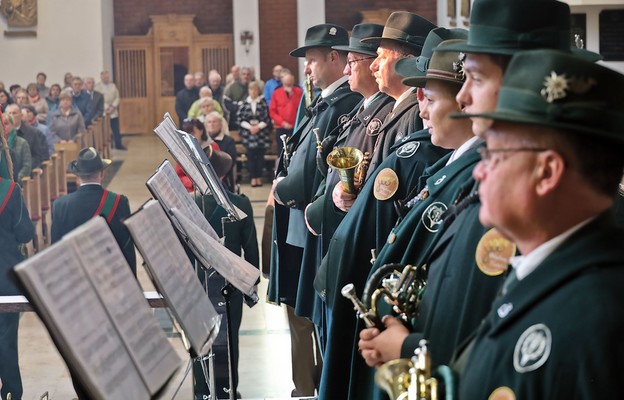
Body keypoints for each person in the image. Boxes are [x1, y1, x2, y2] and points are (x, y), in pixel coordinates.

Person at [455, 48, 624, 400]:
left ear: (546, 172)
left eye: (494, 154)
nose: (478, 170)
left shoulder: (600, 319)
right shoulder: (549, 271)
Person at [269, 23, 363, 397]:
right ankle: (309, 386)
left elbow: (312, 169)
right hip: (302, 217)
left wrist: (282, 188)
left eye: (311, 60)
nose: (306, 68)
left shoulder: (339, 105)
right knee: (301, 308)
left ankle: (312, 388)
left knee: (307, 308)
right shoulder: (324, 102)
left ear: (334, 58)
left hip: (310, 220)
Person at [193, 147, 259, 399]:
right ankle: (229, 389)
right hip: (230, 286)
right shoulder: (240, 203)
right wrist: (250, 288)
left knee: (200, 338)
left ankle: (201, 389)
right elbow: (251, 251)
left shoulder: (191, 203)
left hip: (199, 283)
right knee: (229, 340)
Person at [51, 147, 136, 272]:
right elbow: (127, 249)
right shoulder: (119, 203)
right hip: (110, 277)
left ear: (77, 176)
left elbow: (56, 253)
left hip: (76, 278)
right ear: (102, 173)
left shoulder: (60, 206)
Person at [0, 168, 35, 400]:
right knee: (5, 339)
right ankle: (12, 392)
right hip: (3, 276)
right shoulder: (9, 190)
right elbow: (24, 234)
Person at [237, 81, 271, 187]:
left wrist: (258, 127)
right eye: (251, 89)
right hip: (248, 134)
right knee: (251, 157)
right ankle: (253, 177)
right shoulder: (244, 104)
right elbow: (240, 119)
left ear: (258, 91)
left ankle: (259, 177)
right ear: (248, 91)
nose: (253, 92)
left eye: (255, 89)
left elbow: (266, 118)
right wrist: (250, 127)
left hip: (261, 134)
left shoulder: (263, 103)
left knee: (260, 157)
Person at [269, 68, 303, 156]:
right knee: (281, 151)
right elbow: (272, 111)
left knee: (295, 151)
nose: (289, 85)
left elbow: (301, 108)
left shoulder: (299, 92)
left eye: (290, 82)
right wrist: (282, 122)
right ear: (283, 82)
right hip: (281, 127)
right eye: (287, 83)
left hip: (295, 126)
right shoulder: (277, 93)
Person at [4, 103, 48, 168]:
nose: (11, 116)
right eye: (9, 113)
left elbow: (38, 156)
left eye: (14, 113)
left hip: (27, 171)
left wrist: (25, 168)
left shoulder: (33, 133)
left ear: (21, 116)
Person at [204, 111, 237, 191]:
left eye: (214, 122)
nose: (211, 124)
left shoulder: (228, 141)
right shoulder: (202, 141)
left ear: (220, 124)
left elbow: (231, 161)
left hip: (223, 176)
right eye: (209, 122)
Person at [95, 70, 125, 150]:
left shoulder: (113, 86)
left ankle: (118, 144)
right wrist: (106, 107)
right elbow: (97, 99)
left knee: (115, 129)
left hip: (113, 111)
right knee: (104, 130)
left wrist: (112, 106)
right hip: (103, 112)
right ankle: (106, 146)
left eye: (107, 77)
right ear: (101, 77)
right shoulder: (97, 87)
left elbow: (117, 97)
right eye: (104, 77)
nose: (106, 78)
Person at [4, 113, 32, 181]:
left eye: (6, 123)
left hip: (18, 183)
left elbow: (27, 166)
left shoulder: (22, 143)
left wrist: (16, 180)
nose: (3, 127)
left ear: (13, 125)